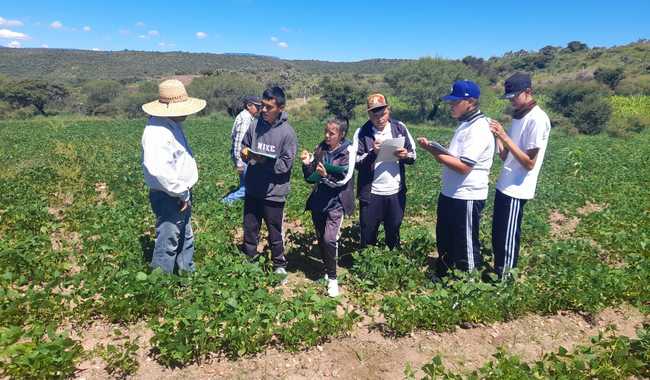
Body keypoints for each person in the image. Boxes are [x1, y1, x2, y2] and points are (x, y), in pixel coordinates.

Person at [417, 80, 494, 279]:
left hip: (467, 194)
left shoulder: (479, 128)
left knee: (465, 242)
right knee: (446, 237)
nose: (451, 105)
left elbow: (463, 167)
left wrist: (432, 150)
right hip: (451, 192)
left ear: (470, 101)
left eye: (455, 101)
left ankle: (469, 283)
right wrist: (436, 151)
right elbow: (451, 160)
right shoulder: (465, 125)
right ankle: (444, 274)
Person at [489, 72, 551, 279]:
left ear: (528, 92)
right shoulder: (519, 116)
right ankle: (499, 272)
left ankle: (505, 281)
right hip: (504, 184)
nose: (512, 101)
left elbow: (529, 163)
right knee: (499, 232)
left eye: (515, 96)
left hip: (517, 187)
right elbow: (507, 156)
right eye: (509, 97)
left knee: (507, 236)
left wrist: (504, 136)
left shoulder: (537, 119)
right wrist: (498, 138)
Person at [141, 79, 206, 274]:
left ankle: (186, 273)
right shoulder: (157, 132)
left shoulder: (170, 124)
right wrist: (181, 193)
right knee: (169, 238)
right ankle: (160, 285)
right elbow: (160, 170)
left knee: (185, 234)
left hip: (179, 192)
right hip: (170, 194)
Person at [240, 86, 297, 284]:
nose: (263, 110)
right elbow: (244, 144)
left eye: (269, 107)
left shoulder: (287, 133)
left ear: (280, 108)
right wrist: (245, 153)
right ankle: (249, 259)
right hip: (253, 188)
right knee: (250, 226)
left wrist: (266, 161)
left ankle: (279, 264)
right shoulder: (255, 125)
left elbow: (285, 165)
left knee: (275, 230)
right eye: (262, 106)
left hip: (274, 193)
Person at [353, 93, 416, 250]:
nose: (380, 119)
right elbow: (356, 162)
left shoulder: (399, 128)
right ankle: (367, 266)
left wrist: (404, 155)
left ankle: (392, 265)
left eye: (383, 114)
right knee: (368, 234)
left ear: (389, 110)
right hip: (371, 192)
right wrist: (373, 153)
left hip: (395, 191)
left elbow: (413, 155)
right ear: (369, 114)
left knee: (393, 231)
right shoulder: (362, 132)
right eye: (375, 115)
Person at [300, 118, 355, 297]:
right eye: (326, 131)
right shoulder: (320, 148)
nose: (327, 136)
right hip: (319, 201)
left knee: (330, 238)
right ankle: (327, 269)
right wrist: (307, 164)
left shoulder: (348, 151)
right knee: (321, 238)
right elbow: (309, 178)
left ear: (342, 134)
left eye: (331, 133)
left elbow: (343, 180)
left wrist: (325, 176)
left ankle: (332, 279)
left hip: (336, 201)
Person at [222, 96, 262, 204]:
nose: (259, 109)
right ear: (249, 106)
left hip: (246, 157)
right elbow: (239, 142)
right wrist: (239, 162)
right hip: (243, 158)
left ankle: (231, 203)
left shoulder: (249, 117)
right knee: (247, 188)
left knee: (245, 185)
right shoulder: (245, 119)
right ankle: (225, 203)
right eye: (257, 106)